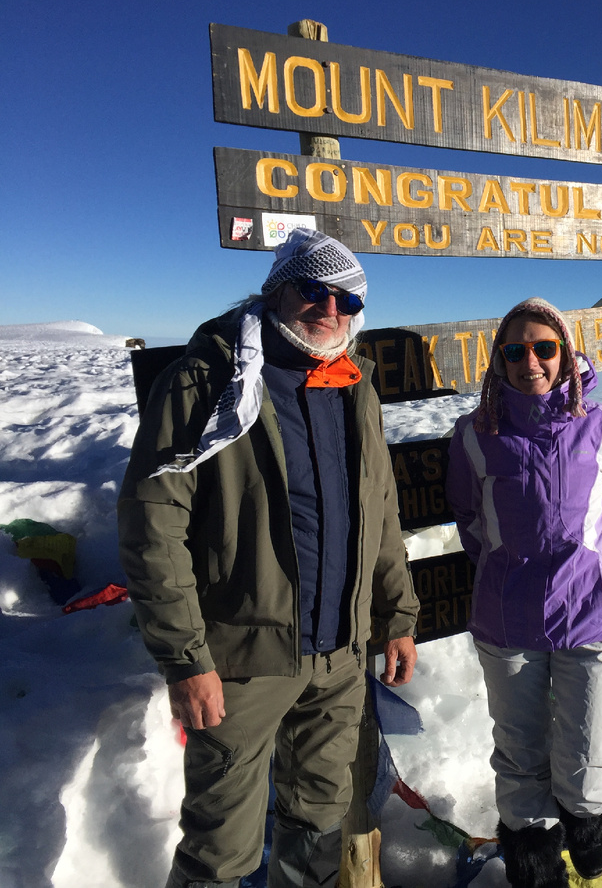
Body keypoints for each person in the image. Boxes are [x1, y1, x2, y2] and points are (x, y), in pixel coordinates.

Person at [118, 228, 420, 888]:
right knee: (219, 849)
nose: (329, 309)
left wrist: (397, 614)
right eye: (312, 290)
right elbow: (153, 528)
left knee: (315, 825)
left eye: (346, 299)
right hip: (240, 659)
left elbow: (381, 510)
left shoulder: (354, 386)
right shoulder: (208, 381)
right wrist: (185, 659)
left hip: (339, 655)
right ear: (275, 289)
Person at [446, 297, 602, 888]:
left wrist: (597, 570)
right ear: (500, 360)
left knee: (588, 761)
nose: (530, 361)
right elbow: (467, 513)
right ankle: (537, 871)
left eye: (545, 347)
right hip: (507, 621)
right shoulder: (474, 435)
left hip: (594, 617)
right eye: (516, 350)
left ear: (566, 353)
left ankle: (588, 853)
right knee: (519, 758)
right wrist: (505, 564)